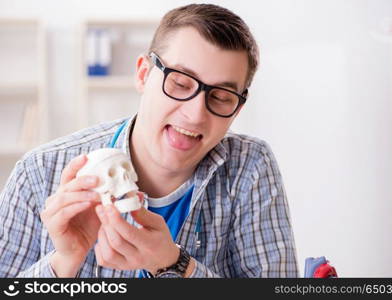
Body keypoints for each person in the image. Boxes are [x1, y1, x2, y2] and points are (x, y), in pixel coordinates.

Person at [0, 3, 298, 278]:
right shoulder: (39, 172)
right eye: (180, 83)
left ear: (237, 109)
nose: (195, 115)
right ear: (143, 74)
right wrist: (63, 262)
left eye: (221, 97)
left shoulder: (250, 166)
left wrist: (174, 265)